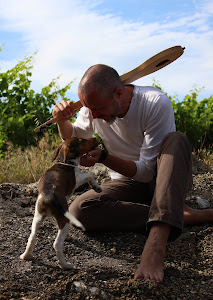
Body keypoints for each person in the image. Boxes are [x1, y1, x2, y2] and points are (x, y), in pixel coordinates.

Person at [52, 64, 213, 283]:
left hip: (164, 180)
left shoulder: (154, 102)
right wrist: (62, 120)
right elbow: (72, 137)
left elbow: (147, 172)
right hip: (127, 183)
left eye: (98, 109)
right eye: (89, 109)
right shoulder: (92, 109)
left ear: (119, 93)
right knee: (80, 209)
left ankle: (156, 245)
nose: (93, 116)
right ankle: (176, 216)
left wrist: (104, 157)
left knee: (177, 140)